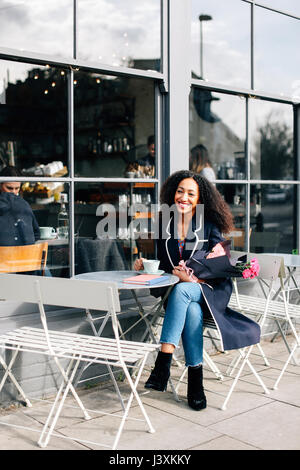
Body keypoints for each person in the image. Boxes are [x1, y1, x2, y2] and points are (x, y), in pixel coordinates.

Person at [134, 170, 260, 411]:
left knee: (185, 292)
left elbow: (221, 264)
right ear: (173, 194)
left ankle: (163, 362)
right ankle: (195, 385)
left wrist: (194, 277)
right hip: (181, 296)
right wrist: (145, 266)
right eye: (180, 191)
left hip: (208, 291)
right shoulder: (164, 224)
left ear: (199, 200)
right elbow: (163, 263)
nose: (184, 197)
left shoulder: (209, 226)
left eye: (191, 193)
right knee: (190, 308)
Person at [0, 165, 40, 245]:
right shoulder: (25, 204)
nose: (14, 192)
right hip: (28, 256)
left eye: (17, 188)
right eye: (9, 188)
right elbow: (37, 234)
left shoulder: (24, 204)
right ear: (0, 185)